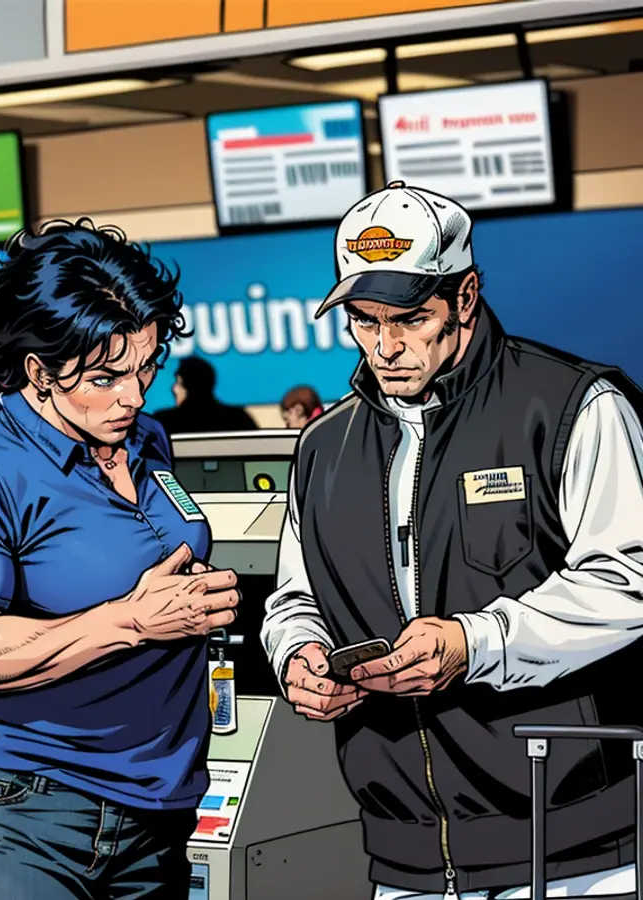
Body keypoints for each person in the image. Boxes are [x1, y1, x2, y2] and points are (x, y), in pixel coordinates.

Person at [261, 182, 643, 900]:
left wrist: (478, 643)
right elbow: (296, 596)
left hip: (578, 849)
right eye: (363, 321)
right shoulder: (323, 447)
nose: (386, 345)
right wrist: (298, 657)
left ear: (465, 297)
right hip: (405, 858)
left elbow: (630, 580)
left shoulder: (573, 406)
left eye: (410, 317)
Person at [0, 219, 240, 898]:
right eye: (106, 376)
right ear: (39, 371)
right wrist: (132, 622)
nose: (135, 395)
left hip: (156, 805)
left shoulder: (145, 440)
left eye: (147, 366)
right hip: (15, 810)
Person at [152, 356, 258, 434]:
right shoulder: (238, 419)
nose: (173, 388)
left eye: (178, 383)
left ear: (190, 386)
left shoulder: (163, 423)